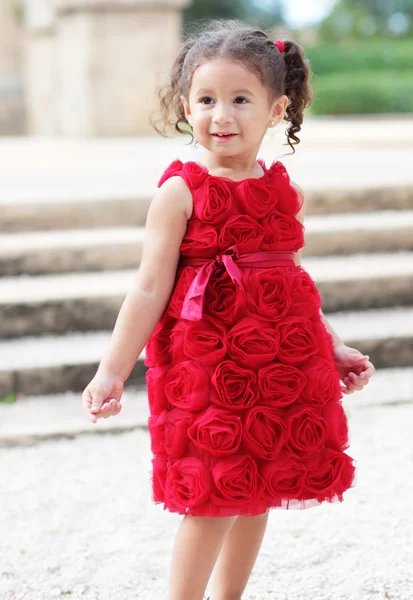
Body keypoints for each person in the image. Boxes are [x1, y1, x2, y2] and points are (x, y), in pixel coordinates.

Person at [82, 19, 376, 600]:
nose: (223, 115)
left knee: (258, 484)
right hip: (207, 363)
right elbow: (147, 288)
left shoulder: (281, 190)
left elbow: (291, 281)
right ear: (186, 106)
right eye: (207, 99)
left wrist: (330, 343)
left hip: (280, 357)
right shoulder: (180, 192)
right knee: (213, 493)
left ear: (275, 109)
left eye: (241, 99)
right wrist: (112, 370)